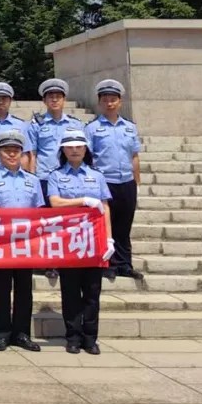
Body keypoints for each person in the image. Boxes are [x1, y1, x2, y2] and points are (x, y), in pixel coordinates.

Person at [0, 130, 45, 352]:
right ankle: (1, 333)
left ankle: (22, 333)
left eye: (16, 151)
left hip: (25, 244)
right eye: (7, 151)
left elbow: (40, 213)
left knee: (24, 289)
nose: (12, 155)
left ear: (22, 154)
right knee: (2, 288)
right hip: (1, 244)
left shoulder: (32, 181)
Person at [47, 129, 116, 355]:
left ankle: (90, 338)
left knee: (92, 293)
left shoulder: (97, 176)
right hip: (68, 241)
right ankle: (73, 337)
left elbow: (105, 207)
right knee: (70, 292)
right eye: (70, 147)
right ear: (63, 150)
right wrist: (83, 200)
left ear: (86, 149)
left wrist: (109, 238)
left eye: (79, 146)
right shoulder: (56, 176)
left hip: (94, 241)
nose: (75, 150)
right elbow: (55, 202)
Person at [84, 79, 143, 280]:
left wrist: (137, 182)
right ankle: (107, 264)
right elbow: (88, 158)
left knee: (124, 225)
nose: (109, 103)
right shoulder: (92, 128)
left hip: (126, 181)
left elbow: (134, 156)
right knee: (105, 224)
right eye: (105, 99)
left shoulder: (130, 127)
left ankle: (125, 264)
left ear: (120, 102)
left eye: (113, 99)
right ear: (100, 102)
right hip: (104, 182)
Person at [27, 78, 83, 285]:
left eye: (58, 96)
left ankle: (65, 258)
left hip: (68, 178)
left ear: (64, 99)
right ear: (44, 101)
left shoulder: (75, 124)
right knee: (46, 222)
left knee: (65, 222)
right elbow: (32, 153)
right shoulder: (37, 124)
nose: (54, 99)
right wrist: (31, 178)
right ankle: (48, 262)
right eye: (50, 96)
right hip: (44, 177)